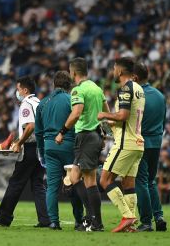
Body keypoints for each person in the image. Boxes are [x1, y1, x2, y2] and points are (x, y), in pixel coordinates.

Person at [0, 76, 50, 228]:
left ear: (25, 90)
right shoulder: (40, 103)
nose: (17, 92)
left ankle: (4, 216)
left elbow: (30, 126)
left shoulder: (26, 104)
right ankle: (46, 219)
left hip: (30, 148)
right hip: (41, 148)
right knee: (38, 184)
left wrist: (20, 143)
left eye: (18, 89)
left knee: (16, 182)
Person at [55, 57, 108, 232]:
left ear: (74, 72)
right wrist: (104, 133)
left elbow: (76, 113)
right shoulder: (96, 88)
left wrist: (62, 131)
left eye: (70, 72)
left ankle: (96, 221)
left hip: (85, 136)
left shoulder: (78, 90)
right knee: (75, 177)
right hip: (94, 136)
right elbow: (106, 112)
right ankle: (91, 217)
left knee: (90, 181)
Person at [97, 57, 146, 233]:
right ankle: (130, 224)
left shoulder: (125, 88)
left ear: (119, 70)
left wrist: (104, 115)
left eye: (114, 68)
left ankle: (127, 216)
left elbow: (124, 115)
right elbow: (129, 117)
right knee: (128, 183)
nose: (113, 71)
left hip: (126, 143)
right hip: (138, 143)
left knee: (104, 179)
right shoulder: (139, 88)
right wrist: (112, 123)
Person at [35, 71, 84, 230]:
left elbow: (38, 132)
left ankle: (54, 222)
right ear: (69, 85)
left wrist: (42, 152)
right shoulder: (71, 100)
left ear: (54, 84)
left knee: (52, 187)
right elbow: (77, 124)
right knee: (75, 184)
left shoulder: (43, 103)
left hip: (49, 147)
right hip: (69, 145)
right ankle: (78, 221)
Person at [132, 62, 167, 232]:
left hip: (141, 142)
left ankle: (146, 221)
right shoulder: (160, 95)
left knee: (141, 181)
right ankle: (159, 216)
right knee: (151, 181)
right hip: (157, 142)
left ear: (135, 77)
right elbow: (164, 121)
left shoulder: (137, 96)